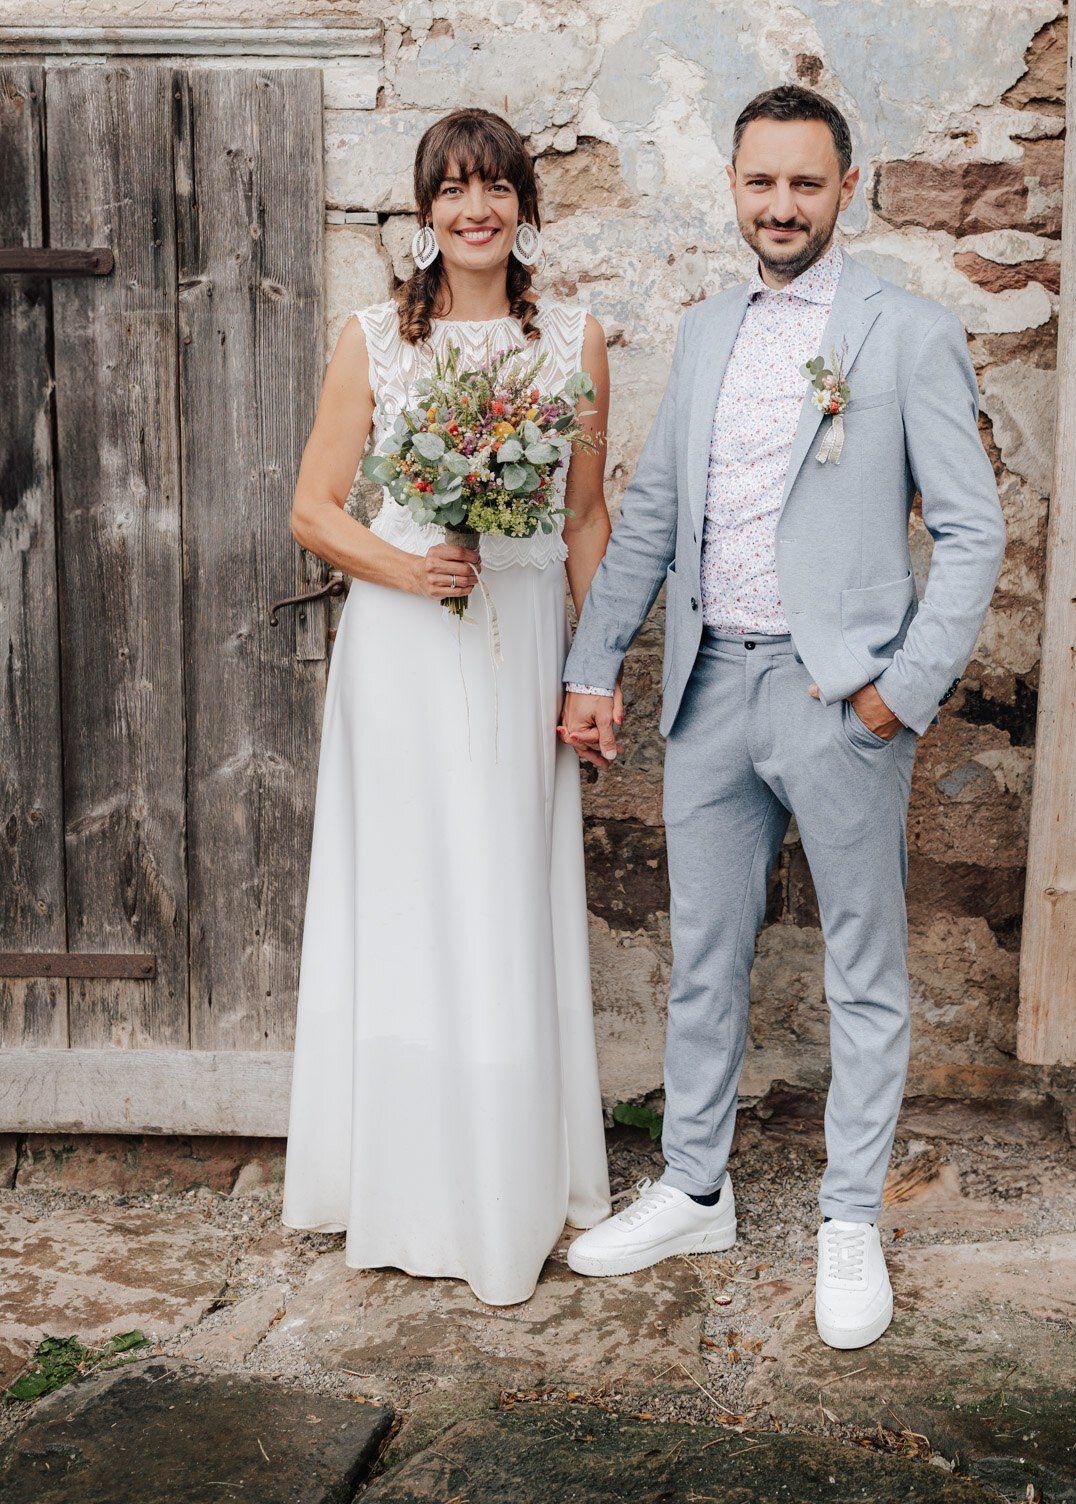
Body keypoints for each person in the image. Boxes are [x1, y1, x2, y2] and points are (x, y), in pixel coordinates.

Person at [559, 83, 1005, 1350]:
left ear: (844, 189)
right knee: (704, 957)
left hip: (837, 700)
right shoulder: (702, 333)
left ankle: (849, 1218)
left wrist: (896, 694)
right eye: (761, 183)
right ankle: (693, 1186)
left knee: (864, 969)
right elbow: (649, 520)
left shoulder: (903, 333)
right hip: (706, 692)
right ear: (734, 188)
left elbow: (970, 532)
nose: (781, 205)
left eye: (805, 184)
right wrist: (596, 669)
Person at [282, 107, 613, 1305]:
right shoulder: (373, 338)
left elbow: (581, 517)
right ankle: (406, 1177)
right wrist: (410, 564)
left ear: (525, 205)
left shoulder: (571, 340)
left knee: (503, 884)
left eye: (496, 188)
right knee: (413, 891)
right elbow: (315, 510)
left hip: (518, 634)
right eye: (452, 190)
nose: (475, 209)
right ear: (424, 213)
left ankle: (513, 1175)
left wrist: (596, 670)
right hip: (407, 644)